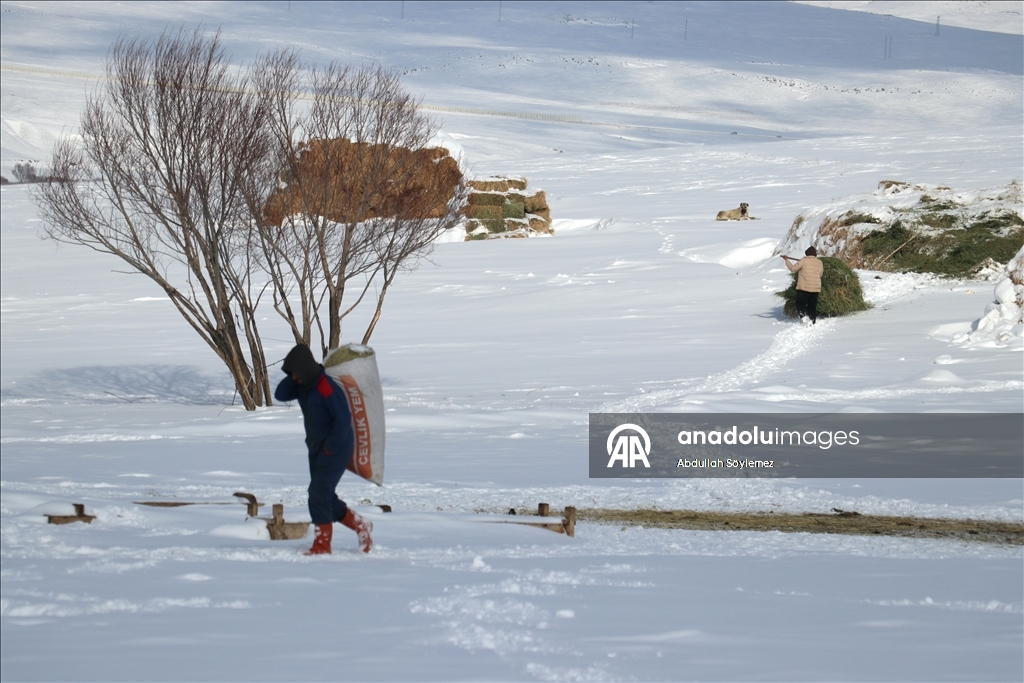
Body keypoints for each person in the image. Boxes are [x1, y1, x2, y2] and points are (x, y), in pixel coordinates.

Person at [275, 344, 373, 554]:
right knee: (325, 496)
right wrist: (295, 376)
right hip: (317, 449)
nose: (293, 378)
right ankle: (360, 525)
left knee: (317, 494)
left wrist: (329, 449)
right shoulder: (304, 386)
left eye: (295, 373)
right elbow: (280, 394)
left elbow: (343, 419)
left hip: (336, 447)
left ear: (305, 369)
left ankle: (322, 546)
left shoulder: (325, 386)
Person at [781, 246, 823, 324]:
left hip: (804, 288)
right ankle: (812, 320)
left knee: (800, 304)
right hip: (815, 288)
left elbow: (793, 269)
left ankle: (803, 317)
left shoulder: (803, 261)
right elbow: (820, 274)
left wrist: (786, 260)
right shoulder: (819, 262)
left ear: (806, 254)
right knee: (812, 306)